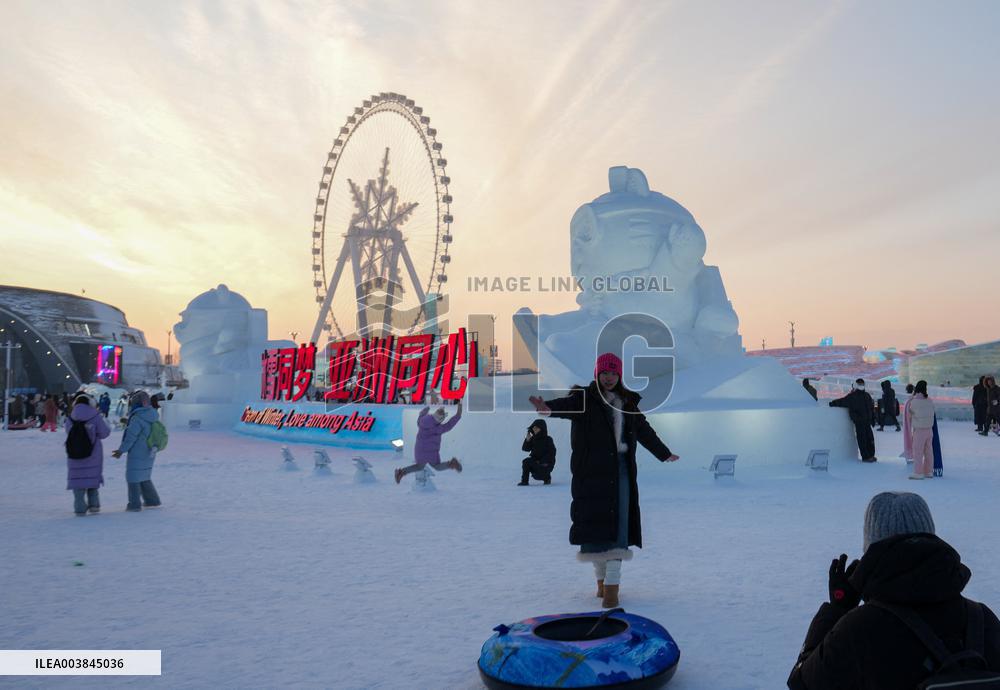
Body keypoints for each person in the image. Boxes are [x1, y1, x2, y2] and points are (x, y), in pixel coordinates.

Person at [787, 492, 1000, 689]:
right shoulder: (982, 619)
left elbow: (801, 684)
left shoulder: (857, 630)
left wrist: (837, 609)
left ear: (871, 549)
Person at [528, 352, 679, 609]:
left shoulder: (628, 402)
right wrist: (548, 408)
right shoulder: (585, 398)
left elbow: (644, 430)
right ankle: (601, 583)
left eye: (613, 373)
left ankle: (612, 589)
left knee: (618, 527)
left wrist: (663, 453)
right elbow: (566, 406)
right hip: (591, 474)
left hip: (621, 472)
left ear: (619, 375)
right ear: (597, 374)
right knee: (595, 530)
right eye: (604, 373)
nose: (609, 378)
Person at [111, 391, 162, 511]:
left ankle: (134, 504)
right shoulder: (152, 415)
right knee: (144, 475)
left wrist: (121, 451)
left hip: (137, 453)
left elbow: (131, 437)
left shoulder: (137, 418)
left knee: (133, 477)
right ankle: (152, 500)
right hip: (149, 452)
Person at [64, 394, 110, 516]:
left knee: (78, 481)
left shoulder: (71, 417)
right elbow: (104, 433)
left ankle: (79, 507)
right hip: (93, 454)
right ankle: (94, 505)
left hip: (74, 453)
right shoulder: (95, 416)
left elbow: (68, 432)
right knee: (92, 478)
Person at [394, 404, 463, 483]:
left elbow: (420, 417)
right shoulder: (438, 428)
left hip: (420, 450)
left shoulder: (422, 421)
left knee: (420, 466)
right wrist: (458, 415)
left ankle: (401, 472)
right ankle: (452, 464)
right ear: (440, 419)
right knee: (437, 467)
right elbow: (449, 425)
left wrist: (424, 411)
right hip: (431, 452)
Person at [829, 378, 877, 462]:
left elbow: (871, 408)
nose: (861, 385)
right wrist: (832, 403)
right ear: (856, 385)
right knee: (863, 439)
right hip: (859, 422)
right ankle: (866, 457)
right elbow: (842, 401)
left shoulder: (866, 395)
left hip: (867, 421)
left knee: (870, 439)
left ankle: (871, 455)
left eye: (862, 384)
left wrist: (873, 418)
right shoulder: (852, 396)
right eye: (860, 384)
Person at [907, 381, 936, 480]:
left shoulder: (914, 402)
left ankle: (918, 472)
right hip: (929, 430)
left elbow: (909, 414)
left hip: (919, 430)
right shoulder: (930, 401)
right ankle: (928, 471)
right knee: (928, 451)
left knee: (918, 452)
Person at [518, 419, 556, 486]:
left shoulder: (548, 439)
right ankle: (524, 481)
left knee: (542, 471)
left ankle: (547, 478)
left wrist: (542, 461)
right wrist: (527, 439)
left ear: (542, 428)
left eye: (536, 428)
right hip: (535, 464)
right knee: (526, 462)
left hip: (545, 465)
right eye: (534, 428)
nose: (534, 429)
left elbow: (552, 453)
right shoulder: (533, 439)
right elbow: (525, 449)